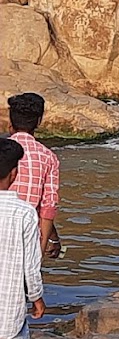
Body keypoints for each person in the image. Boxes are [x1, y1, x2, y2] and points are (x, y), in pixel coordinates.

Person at [0, 135, 44, 339]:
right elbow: (31, 265)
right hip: (8, 306)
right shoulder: (25, 213)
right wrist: (37, 297)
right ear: (14, 174)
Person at [6, 94, 59, 261]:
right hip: (27, 239)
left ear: (10, 121)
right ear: (38, 121)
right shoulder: (48, 157)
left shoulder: (4, 151)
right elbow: (47, 207)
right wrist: (42, 248)